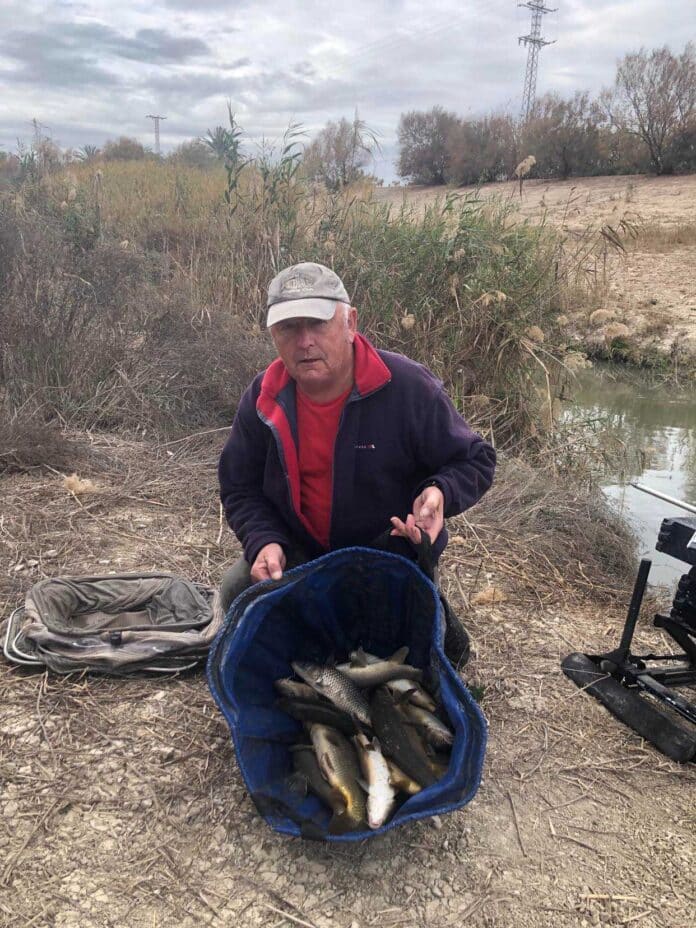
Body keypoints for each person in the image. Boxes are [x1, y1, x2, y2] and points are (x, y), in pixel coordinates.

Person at [218, 262, 496, 659]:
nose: (304, 342)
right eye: (288, 328)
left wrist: (440, 492)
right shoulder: (263, 396)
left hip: (387, 551)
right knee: (236, 592)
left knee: (414, 655)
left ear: (350, 322)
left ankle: (416, 612)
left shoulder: (407, 386)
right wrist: (265, 541)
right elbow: (239, 487)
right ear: (273, 335)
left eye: (317, 324)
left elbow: (476, 459)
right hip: (298, 550)